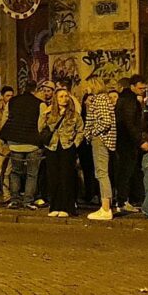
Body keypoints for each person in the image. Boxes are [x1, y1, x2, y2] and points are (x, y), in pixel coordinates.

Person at [0, 80, 46, 209]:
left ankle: (14, 199)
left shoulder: (12, 102)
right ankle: (28, 200)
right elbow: (41, 124)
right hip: (33, 143)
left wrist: (5, 139)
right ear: (35, 89)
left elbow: (5, 119)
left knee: (15, 172)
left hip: (15, 143)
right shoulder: (40, 104)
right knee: (32, 174)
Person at [39, 86, 84, 217]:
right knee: (53, 177)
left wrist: (75, 144)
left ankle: (67, 207)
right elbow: (40, 128)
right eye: (61, 96)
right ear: (56, 99)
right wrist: (44, 114)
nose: (64, 99)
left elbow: (80, 130)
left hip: (67, 147)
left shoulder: (74, 115)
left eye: (66, 96)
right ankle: (54, 206)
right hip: (52, 147)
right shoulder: (49, 114)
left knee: (66, 177)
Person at [113, 75, 147, 214]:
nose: (143, 90)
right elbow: (129, 123)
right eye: (140, 88)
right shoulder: (129, 101)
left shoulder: (125, 99)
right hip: (127, 142)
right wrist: (140, 141)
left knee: (126, 171)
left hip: (124, 141)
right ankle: (123, 201)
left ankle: (123, 200)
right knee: (126, 171)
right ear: (132, 86)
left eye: (144, 88)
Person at [83, 84, 116, 220]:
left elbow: (105, 121)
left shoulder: (100, 99)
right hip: (102, 139)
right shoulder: (103, 99)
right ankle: (106, 205)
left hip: (100, 139)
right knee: (102, 172)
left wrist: (92, 133)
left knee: (101, 172)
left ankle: (106, 207)